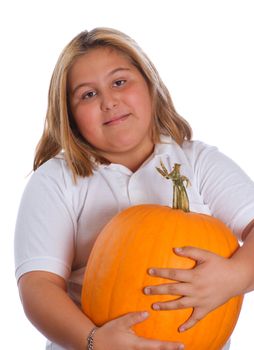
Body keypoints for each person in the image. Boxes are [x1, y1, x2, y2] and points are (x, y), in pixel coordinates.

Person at [14, 27, 254, 350]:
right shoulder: (56, 181)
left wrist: (235, 276)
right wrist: (94, 340)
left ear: (150, 87)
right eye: (88, 94)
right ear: (69, 117)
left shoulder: (197, 162)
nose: (109, 102)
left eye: (119, 82)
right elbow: (38, 286)